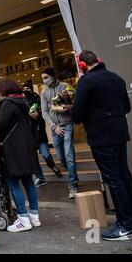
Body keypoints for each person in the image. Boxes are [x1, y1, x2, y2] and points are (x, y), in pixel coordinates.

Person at [71, 51, 132, 241]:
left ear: (82, 66)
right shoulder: (116, 78)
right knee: (124, 174)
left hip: (102, 136)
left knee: (114, 179)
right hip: (119, 133)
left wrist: (72, 110)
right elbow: (127, 107)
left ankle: (126, 226)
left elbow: (76, 114)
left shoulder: (87, 81)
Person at [0, 80, 41, 233]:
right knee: (28, 181)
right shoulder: (23, 101)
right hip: (27, 146)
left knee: (13, 182)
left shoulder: (8, 103)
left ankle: (23, 218)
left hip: (13, 148)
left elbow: (0, 125)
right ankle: (34, 216)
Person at [41, 67, 79, 199]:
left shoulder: (66, 86)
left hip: (67, 124)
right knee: (60, 156)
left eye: (46, 77)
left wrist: (67, 107)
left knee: (68, 154)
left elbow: (75, 103)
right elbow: (44, 112)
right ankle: (72, 172)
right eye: (43, 78)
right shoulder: (44, 92)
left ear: (52, 76)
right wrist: (53, 126)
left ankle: (73, 184)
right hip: (55, 128)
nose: (44, 80)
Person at [23, 82, 62, 187]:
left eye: (27, 88)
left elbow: (45, 112)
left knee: (46, 155)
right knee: (33, 158)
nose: (25, 90)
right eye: (24, 89)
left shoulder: (39, 99)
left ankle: (52, 166)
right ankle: (41, 178)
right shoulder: (22, 102)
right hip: (28, 133)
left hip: (39, 131)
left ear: (31, 89)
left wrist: (38, 114)